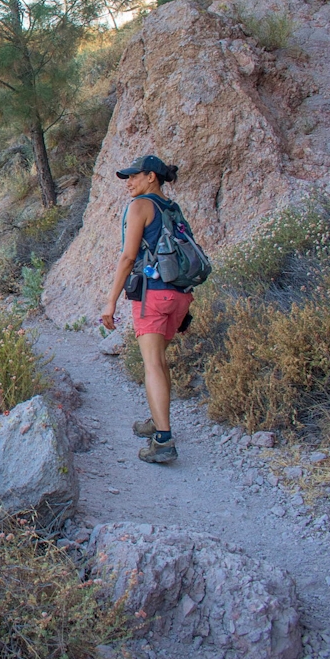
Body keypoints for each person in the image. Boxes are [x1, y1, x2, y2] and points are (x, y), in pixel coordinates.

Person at [100, 154, 193, 464]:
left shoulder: (140, 206)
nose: (129, 183)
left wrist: (111, 301)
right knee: (160, 360)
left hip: (153, 295)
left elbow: (128, 258)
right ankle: (157, 419)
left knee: (151, 363)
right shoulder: (172, 209)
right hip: (179, 296)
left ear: (151, 176)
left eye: (134, 176)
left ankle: (163, 440)